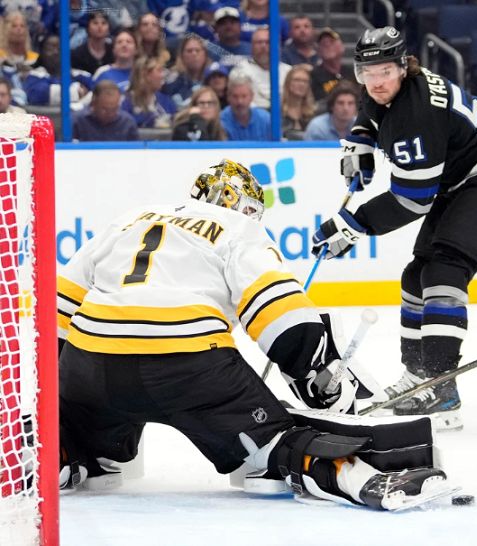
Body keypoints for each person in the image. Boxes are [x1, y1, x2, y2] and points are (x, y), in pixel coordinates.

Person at [55, 159, 454, 510]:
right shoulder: (237, 228)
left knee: (77, 436)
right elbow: (283, 317)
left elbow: (58, 305)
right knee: (273, 444)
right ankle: (357, 479)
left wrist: (63, 388)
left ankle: (59, 457)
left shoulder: (132, 217)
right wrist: (315, 373)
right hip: (186, 366)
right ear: (243, 207)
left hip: (89, 360)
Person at [311, 27, 477, 430]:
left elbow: (415, 199)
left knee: (445, 269)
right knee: (416, 276)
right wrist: (362, 141)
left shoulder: (416, 113)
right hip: (463, 180)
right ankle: (418, 378)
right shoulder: (393, 89)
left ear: (402, 66)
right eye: (367, 72)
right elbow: (372, 110)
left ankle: (440, 383)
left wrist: (353, 225)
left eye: (384, 70)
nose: (375, 81)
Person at [24, 35, 93, 107]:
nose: (55, 52)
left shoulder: (83, 75)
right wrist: (76, 92)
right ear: (42, 53)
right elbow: (37, 95)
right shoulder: (34, 75)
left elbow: (95, 95)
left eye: (59, 48)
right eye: (50, 49)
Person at [230, 27, 290, 109]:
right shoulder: (240, 71)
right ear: (251, 46)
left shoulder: (289, 72)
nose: (263, 46)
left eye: (268, 42)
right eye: (259, 42)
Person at [72, 80, 140, 141]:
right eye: (105, 109)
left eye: (114, 109)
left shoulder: (127, 123)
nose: (110, 113)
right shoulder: (77, 122)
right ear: (94, 103)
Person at [122, 56, 177, 128]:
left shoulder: (166, 101)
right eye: (159, 70)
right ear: (146, 74)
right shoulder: (126, 102)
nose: (162, 75)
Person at [162, 35, 210, 107]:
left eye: (197, 50)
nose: (194, 54)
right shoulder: (172, 84)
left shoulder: (214, 78)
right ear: (182, 55)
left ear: (205, 54)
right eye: (189, 51)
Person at [220, 73, 270, 140]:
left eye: (244, 96)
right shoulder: (221, 121)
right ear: (228, 97)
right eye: (235, 96)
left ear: (252, 96)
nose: (240, 101)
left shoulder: (265, 119)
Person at [310, 26, 353, 104]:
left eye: (331, 41)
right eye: (323, 43)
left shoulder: (352, 73)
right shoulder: (312, 76)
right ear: (318, 51)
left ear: (342, 47)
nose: (327, 45)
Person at [70, 10, 113, 76]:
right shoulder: (77, 54)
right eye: (95, 23)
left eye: (103, 23)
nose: (99, 26)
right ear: (88, 28)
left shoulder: (114, 51)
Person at [281, 64, 314, 136]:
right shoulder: (276, 112)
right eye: (297, 80)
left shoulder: (314, 114)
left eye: (305, 81)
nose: (301, 84)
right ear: (288, 83)